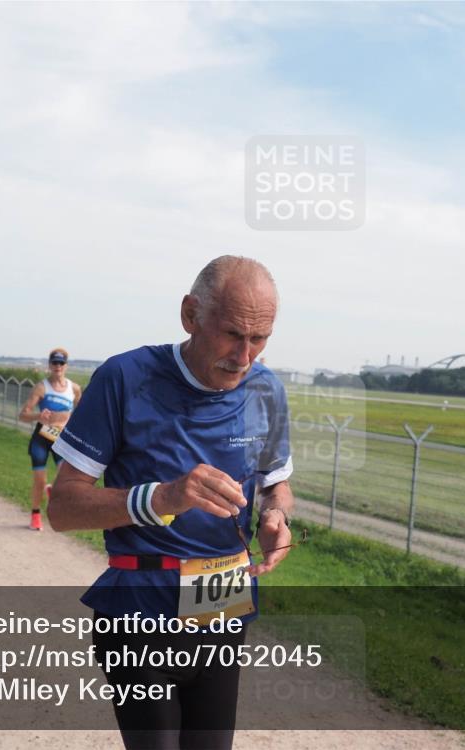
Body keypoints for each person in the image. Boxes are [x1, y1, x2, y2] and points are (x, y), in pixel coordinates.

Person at [48, 256, 294, 750]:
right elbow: (63, 509)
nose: (245, 355)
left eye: (260, 338)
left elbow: (275, 482)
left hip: (223, 598)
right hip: (142, 604)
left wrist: (274, 514)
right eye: (231, 334)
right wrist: (160, 497)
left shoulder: (266, 389)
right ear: (189, 315)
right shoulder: (125, 377)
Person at [18, 349, 83, 531]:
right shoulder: (42, 387)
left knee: (66, 477)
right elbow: (23, 415)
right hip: (42, 437)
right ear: (49, 365)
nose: (58, 366)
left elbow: (83, 413)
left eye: (61, 363)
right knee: (39, 480)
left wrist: (70, 420)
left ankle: (52, 491)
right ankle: (36, 515)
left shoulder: (74, 389)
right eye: (54, 363)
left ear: (66, 366)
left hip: (61, 440)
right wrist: (38, 415)